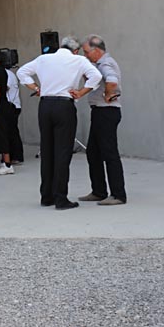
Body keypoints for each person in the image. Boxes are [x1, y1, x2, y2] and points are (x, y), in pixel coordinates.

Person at [17, 37, 101, 210]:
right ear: (75, 50)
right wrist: (81, 92)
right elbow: (96, 76)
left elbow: (22, 73)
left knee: (47, 150)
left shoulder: (43, 58)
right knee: (63, 152)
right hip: (64, 105)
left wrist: (35, 88)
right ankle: (61, 197)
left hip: (45, 105)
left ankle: (46, 196)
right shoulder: (78, 60)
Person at [77, 36, 126, 205]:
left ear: (97, 50)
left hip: (106, 112)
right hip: (100, 112)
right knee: (93, 152)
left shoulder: (106, 63)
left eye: (87, 52)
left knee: (109, 152)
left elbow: (112, 80)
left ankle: (118, 194)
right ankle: (99, 191)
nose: (85, 55)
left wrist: (108, 94)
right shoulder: (98, 65)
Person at [0, 49, 22, 176]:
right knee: (5, 133)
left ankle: (7, 164)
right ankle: (5, 161)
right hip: (6, 104)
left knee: (1, 134)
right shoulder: (4, 71)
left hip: (0, 107)